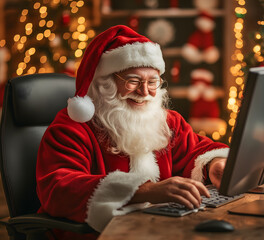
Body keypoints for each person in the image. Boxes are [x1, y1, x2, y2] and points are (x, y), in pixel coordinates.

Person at [36, 25, 229, 239]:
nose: (144, 92)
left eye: (152, 82)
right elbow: (59, 188)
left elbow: (197, 149)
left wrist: (214, 164)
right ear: (105, 82)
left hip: (159, 229)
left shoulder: (167, 122)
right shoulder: (71, 127)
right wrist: (143, 191)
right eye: (134, 81)